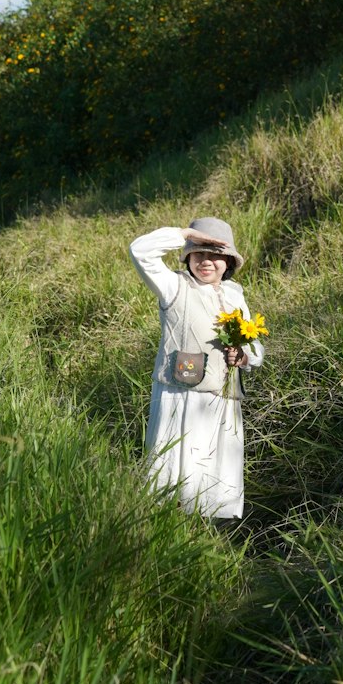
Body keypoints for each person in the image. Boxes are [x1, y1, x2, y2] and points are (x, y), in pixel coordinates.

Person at [129, 218, 264, 520]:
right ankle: (167, 528)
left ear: (227, 261)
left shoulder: (234, 295)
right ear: (187, 256)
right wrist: (185, 234)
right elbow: (139, 250)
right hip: (181, 397)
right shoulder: (173, 286)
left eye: (215, 254)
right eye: (198, 252)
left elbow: (255, 343)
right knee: (177, 468)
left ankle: (209, 533)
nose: (206, 261)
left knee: (216, 473)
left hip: (223, 400)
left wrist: (244, 357)